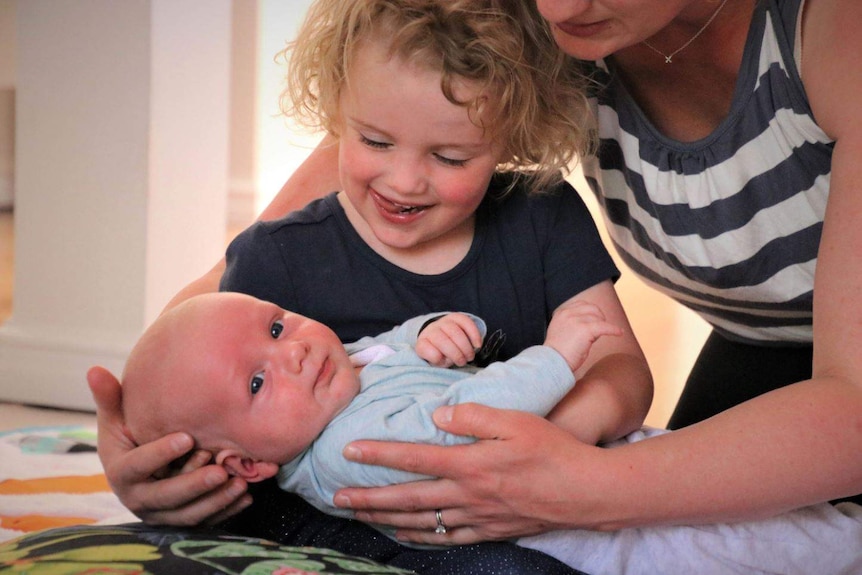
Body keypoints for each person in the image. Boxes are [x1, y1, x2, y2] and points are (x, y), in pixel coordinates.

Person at [90, 0, 862, 564]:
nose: (555, 10)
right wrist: (153, 440)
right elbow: (220, 307)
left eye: (453, 160)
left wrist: (572, 470)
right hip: (762, 347)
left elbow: (846, 408)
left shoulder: (833, 34)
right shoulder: (510, 33)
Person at [118, 292, 862, 575]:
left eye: (277, 324)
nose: (294, 351)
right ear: (247, 462)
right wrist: (560, 353)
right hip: (591, 537)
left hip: (607, 469)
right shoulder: (350, 451)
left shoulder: (339, 372)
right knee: (747, 546)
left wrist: (444, 328)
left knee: (748, 491)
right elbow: (477, 419)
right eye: (257, 381)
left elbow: (399, 340)